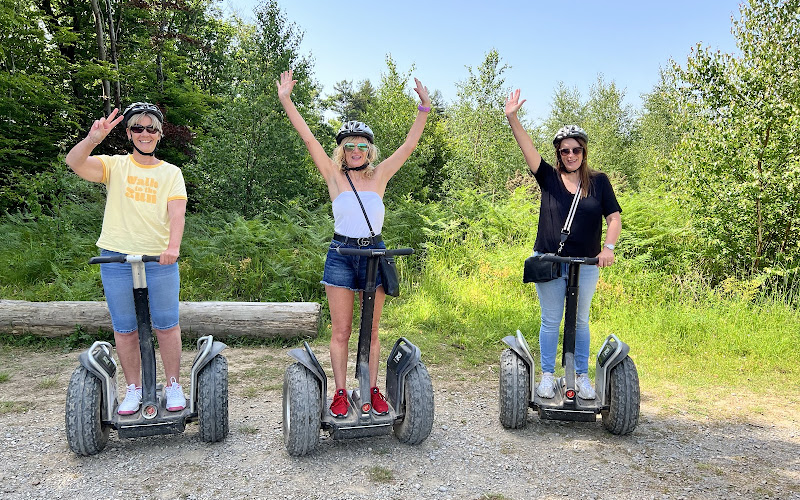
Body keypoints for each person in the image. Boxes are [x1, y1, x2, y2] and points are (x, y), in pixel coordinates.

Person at [277, 69, 431, 418]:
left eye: (362, 145)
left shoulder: (379, 176)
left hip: (374, 253)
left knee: (372, 330)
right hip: (342, 254)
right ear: (342, 150)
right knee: (343, 330)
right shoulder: (334, 176)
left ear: (370, 149)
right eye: (350, 146)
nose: (356, 150)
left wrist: (424, 108)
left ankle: (372, 388)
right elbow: (308, 140)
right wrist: (286, 99)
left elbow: (408, 147)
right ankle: (341, 392)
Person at [65, 102, 188, 415]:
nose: (144, 133)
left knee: (166, 325)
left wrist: (173, 247)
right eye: (137, 128)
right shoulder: (115, 165)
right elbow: (74, 162)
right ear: (129, 133)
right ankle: (133, 388)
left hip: (158, 259)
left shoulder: (171, 173)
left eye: (151, 128)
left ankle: (173, 384)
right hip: (116, 258)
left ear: (159, 135)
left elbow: (177, 213)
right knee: (124, 329)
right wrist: (93, 138)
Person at [505, 89, 621, 400]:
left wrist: (607, 250)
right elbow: (527, 148)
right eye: (564, 151)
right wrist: (513, 117)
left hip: (586, 264)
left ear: (584, 152)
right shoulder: (548, 178)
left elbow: (614, 219)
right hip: (550, 260)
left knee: (580, 320)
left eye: (576, 150)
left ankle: (580, 376)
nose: (570, 155)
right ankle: (547, 375)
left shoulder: (599, 182)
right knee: (552, 319)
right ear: (558, 154)